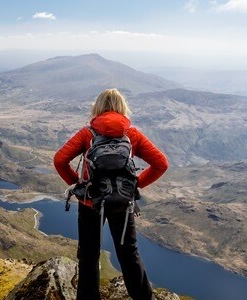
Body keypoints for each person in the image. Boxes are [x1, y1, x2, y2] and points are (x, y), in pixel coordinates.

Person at [53, 88, 168, 299]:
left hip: (90, 202)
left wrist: (79, 185)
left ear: (97, 108)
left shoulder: (88, 133)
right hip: (122, 203)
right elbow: (161, 164)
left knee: (89, 255)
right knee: (129, 254)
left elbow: (60, 160)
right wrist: (134, 187)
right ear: (122, 108)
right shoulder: (131, 134)